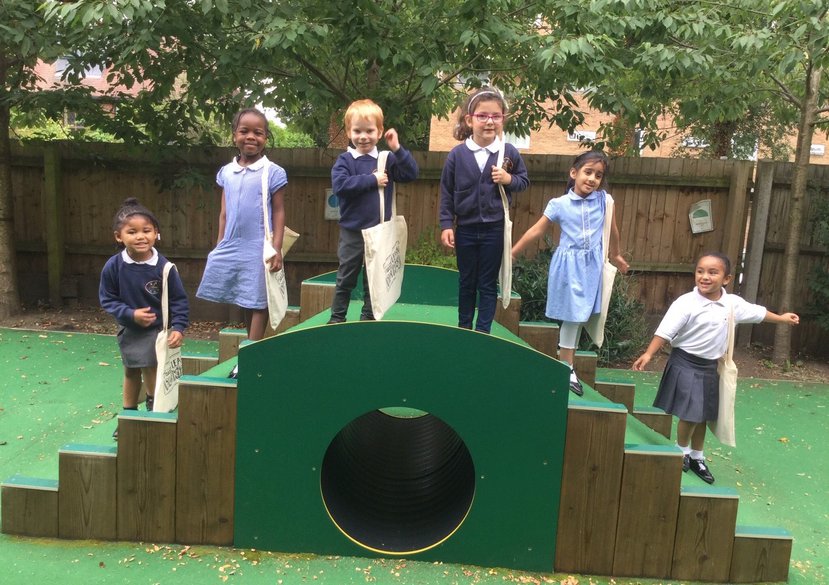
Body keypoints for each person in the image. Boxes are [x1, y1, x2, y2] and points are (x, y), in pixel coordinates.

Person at [632, 252, 799, 484]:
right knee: (691, 413)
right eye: (700, 271)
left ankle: (697, 457)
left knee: (703, 415)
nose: (705, 277)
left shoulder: (731, 304)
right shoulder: (686, 303)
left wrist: (781, 318)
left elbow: (757, 313)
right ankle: (681, 452)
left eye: (713, 272)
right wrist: (649, 354)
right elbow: (665, 331)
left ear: (727, 279)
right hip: (685, 362)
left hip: (710, 366)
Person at [511, 150, 628, 395]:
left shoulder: (604, 201)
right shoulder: (559, 204)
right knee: (573, 315)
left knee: (580, 316)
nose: (592, 179)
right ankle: (566, 366)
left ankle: (568, 363)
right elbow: (537, 230)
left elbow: (612, 230)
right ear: (574, 173)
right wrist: (514, 251)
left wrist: (616, 255)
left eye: (598, 175)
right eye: (588, 172)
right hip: (569, 265)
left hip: (592, 267)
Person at [439, 87, 529, 333]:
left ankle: (483, 332)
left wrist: (508, 179)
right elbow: (446, 192)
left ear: (502, 120)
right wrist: (447, 224)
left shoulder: (508, 153)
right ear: (470, 120)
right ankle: (464, 328)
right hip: (466, 229)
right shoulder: (457, 155)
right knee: (466, 281)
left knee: (487, 283)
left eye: (496, 116)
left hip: (494, 230)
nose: (489, 121)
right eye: (482, 116)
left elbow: (523, 181)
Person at [197, 108, 288, 352]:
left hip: (259, 245)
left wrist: (276, 248)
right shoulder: (227, 172)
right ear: (234, 135)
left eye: (258, 133)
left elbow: (278, 211)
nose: (251, 137)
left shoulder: (272, 172)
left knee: (258, 299)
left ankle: (249, 353)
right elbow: (224, 212)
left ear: (266, 138)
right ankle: (253, 350)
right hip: (233, 243)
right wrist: (220, 244)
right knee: (246, 299)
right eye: (244, 131)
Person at [100, 198, 189, 436]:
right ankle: (128, 416)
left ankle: (154, 410)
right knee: (131, 370)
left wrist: (179, 327)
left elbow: (179, 300)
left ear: (156, 233)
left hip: (158, 330)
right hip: (129, 329)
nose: (140, 236)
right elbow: (107, 299)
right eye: (132, 232)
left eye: (146, 231)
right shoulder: (114, 266)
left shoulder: (164, 267)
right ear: (119, 237)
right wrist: (130, 314)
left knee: (150, 367)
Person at [328, 99, 419, 323]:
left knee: (374, 277)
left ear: (379, 132)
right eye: (357, 131)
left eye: (369, 131)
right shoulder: (345, 160)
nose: (363, 136)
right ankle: (337, 318)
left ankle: (368, 317)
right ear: (349, 132)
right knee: (346, 276)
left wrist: (397, 148)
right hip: (352, 232)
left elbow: (411, 174)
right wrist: (372, 179)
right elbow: (341, 187)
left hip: (379, 230)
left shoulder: (386, 159)